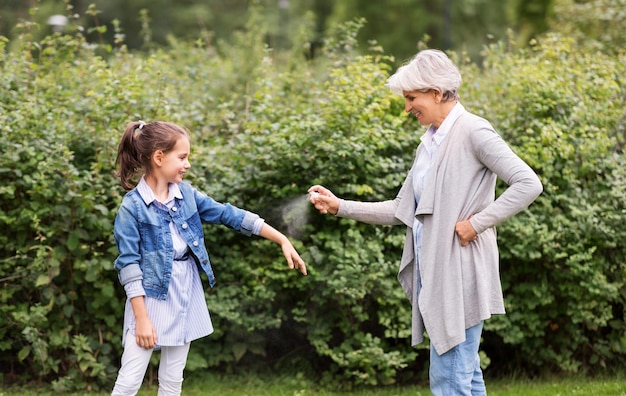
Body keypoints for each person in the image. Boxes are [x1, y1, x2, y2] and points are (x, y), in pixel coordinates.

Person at [308, 49, 542, 395]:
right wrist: (340, 206)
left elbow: (528, 183)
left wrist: (477, 223)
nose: (407, 108)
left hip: (459, 271)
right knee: (465, 374)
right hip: (437, 272)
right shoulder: (429, 143)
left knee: (450, 379)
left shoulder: (474, 131)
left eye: (411, 98)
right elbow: (401, 209)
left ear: (436, 92)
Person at [111, 120, 307, 396]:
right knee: (130, 380)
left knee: (172, 379)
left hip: (184, 293)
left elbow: (230, 215)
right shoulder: (132, 207)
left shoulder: (186, 195)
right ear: (158, 157)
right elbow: (129, 266)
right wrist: (142, 319)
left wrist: (281, 238)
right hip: (149, 300)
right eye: (182, 157)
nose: (187, 164)